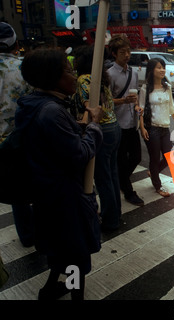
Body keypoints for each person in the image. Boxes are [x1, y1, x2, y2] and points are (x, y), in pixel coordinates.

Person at [17, 48, 103, 300]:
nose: (74, 75)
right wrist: (95, 127)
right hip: (65, 198)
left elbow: (53, 143)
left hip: (47, 195)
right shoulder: (52, 112)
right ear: (52, 77)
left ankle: (50, 287)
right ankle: (75, 294)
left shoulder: (35, 103)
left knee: (60, 248)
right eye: (68, 71)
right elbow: (79, 154)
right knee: (75, 255)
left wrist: (80, 126)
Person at [72, 45, 122, 233]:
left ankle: (110, 220)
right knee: (112, 175)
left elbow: (89, 108)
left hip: (101, 129)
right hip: (114, 127)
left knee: (103, 178)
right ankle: (116, 214)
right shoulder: (102, 77)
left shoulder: (84, 79)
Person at [0, 22, 34, 248]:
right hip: (24, 141)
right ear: (15, 43)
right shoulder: (24, 68)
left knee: (14, 194)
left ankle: (27, 237)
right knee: (36, 187)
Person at [107, 35, 144, 207]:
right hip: (117, 124)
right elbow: (106, 102)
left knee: (136, 156)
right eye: (123, 52)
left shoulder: (133, 73)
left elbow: (135, 96)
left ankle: (121, 180)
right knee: (121, 159)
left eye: (128, 51)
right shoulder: (109, 75)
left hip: (132, 122)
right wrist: (123, 101)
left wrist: (137, 106)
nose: (127, 55)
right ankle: (128, 191)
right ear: (114, 54)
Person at [138, 58, 174, 197]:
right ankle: (158, 186)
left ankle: (154, 171)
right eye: (159, 67)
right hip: (151, 128)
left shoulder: (167, 87)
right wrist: (142, 128)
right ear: (152, 70)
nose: (162, 70)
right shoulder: (145, 88)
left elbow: (171, 107)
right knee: (154, 157)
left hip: (165, 127)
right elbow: (141, 109)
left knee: (169, 156)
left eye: (163, 67)